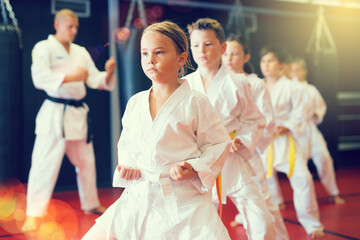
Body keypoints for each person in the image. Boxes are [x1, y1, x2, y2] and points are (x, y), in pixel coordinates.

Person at [82, 20, 232, 240]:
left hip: (183, 198)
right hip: (142, 192)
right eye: (144, 53)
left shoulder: (195, 101)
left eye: (159, 52)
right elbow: (128, 144)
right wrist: (129, 167)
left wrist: (193, 167)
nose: (150, 60)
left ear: (181, 58)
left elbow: (218, 143)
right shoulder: (136, 102)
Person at [22, 9, 116, 231]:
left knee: (86, 163)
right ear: (57, 24)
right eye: (69, 26)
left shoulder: (80, 51)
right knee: (43, 165)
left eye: (76, 27)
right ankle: (33, 214)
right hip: (55, 114)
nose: (74, 31)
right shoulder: (43, 48)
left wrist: (109, 73)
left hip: (77, 115)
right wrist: (73, 77)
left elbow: (94, 79)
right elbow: (39, 77)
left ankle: (91, 203)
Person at [186, 18, 276, 240]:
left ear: (222, 47)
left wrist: (242, 140)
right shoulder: (184, 85)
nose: (201, 50)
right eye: (196, 45)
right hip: (199, 162)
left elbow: (254, 120)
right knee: (198, 226)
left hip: (232, 158)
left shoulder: (238, 82)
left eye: (208, 44)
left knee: (261, 219)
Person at [222, 34, 289, 240]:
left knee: (265, 203)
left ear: (246, 56)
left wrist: (245, 141)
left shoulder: (255, 84)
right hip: (219, 152)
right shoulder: (217, 82)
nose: (229, 58)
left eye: (235, 54)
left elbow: (266, 121)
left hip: (248, 151)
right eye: (225, 53)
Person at [259, 43, 325, 238]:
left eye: (271, 60)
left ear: (281, 65)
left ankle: (312, 224)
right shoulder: (256, 86)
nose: (266, 65)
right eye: (263, 61)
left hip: (286, 140)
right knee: (261, 184)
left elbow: (301, 113)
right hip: (264, 142)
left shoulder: (292, 87)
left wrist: (286, 125)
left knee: (303, 179)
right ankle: (257, 222)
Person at [290, 57, 345, 205]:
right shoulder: (288, 88)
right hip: (294, 131)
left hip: (311, 129)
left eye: (298, 70)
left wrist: (317, 114)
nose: (295, 73)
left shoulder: (311, 90)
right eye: (292, 70)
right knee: (296, 166)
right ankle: (291, 201)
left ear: (304, 72)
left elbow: (321, 106)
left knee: (324, 158)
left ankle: (333, 193)